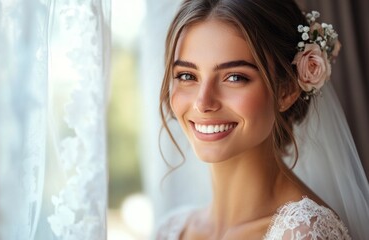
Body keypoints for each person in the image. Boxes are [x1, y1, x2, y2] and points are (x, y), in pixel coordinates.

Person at [156, 0, 369, 239]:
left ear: (286, 90)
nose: (203, 103)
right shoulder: (172, 229)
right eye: (187, 75)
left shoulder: (305, 234)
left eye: (234, 77)